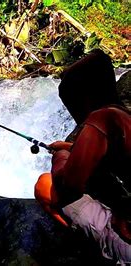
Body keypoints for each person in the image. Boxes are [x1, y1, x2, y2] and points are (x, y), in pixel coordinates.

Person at [34, 49, 131, 263]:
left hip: (127, 244)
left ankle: (90, 251)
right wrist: (71, 147)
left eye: (71, 103)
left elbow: (68, 187)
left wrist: (60, 155)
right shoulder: (122, 117)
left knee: (45, 185)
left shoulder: (101, 119)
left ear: (84, 98)